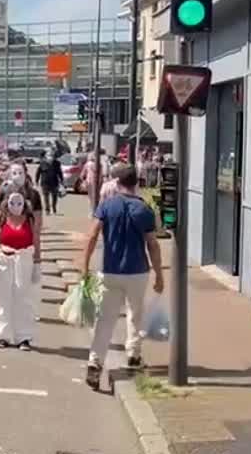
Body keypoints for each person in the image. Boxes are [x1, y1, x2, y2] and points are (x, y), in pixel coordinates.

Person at [80, 164, 164, 390]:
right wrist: (159, 273)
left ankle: (95, 364)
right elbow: (153, 245)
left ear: (117, 184)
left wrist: (84, 266)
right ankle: (134, 356)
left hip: (109, 270)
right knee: (135, 315)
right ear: (136, 184)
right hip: (137, 271)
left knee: (104, 320)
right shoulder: (144, 209)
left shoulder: (107, 206)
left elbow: (92, 235)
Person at [0, 190, 41, 350]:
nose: (15, 206)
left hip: (24, 260)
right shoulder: (0, 218)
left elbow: (36, 240)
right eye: (12, 203)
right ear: (6, 203)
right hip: (4, 260)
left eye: (19, 203)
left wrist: (37, 263)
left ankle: (23, 337)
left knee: (23, 299)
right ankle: (2, 335)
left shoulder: (29, 219)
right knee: (2, 298)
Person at [34, 148, 64, 215]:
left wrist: (62, 181)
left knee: (54, 197)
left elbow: (60, 172)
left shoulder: (57, 163)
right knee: (46, 197)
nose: (50, 156)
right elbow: (38, 172)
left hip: (54, 183)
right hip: (45, 183)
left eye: (52, 155)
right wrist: (36, 181)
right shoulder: (42, 163)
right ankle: (47, 210)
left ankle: (54, 209)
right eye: (49, 155)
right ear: (46, 156)